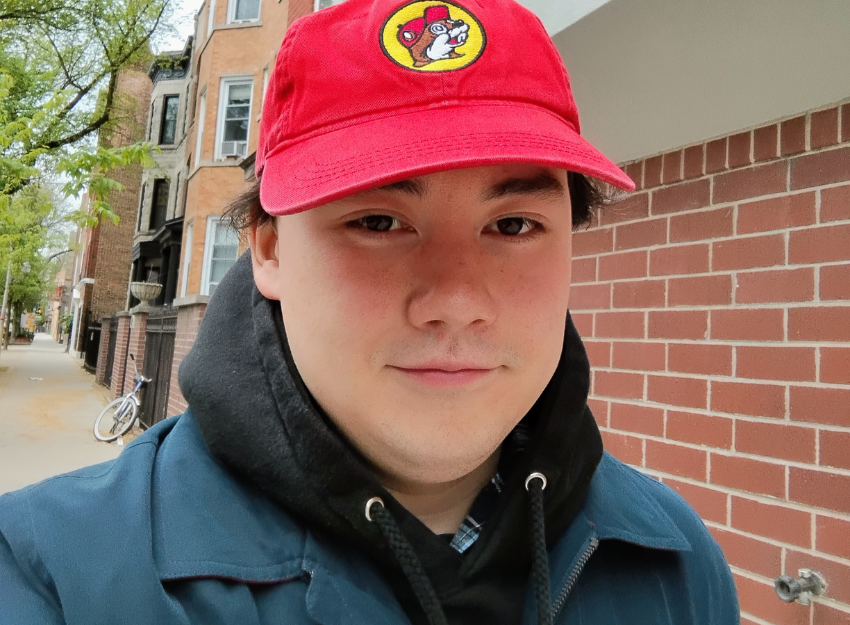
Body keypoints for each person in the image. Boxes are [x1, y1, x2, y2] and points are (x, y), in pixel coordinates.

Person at [0, 0, 739, 623]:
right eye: (378, 222)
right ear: (267, 249)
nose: (455, 300)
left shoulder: (673, 564)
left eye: (513, 225)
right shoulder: (57, 576)